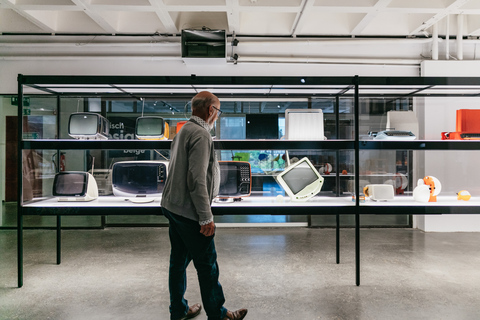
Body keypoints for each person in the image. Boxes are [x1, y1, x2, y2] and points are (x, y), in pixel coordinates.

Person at [161, 91, 248, 320]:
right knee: (207, 264)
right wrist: (205, 217)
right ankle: (218, 315)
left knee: (178, 262)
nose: (217, 116)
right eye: (217, 111)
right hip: (190, 212)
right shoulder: (201, 134)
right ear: (211, 110)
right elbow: (196, 179)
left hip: (173, 206)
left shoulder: (184, 131)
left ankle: (178, 310)